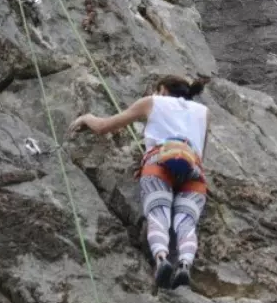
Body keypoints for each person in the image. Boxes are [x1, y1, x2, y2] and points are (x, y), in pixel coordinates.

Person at [69, 75, 211, 289]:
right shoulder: (203, 112)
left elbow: (103, 127)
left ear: (162, 89)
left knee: (158, 214)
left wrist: (86, 118)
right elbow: (202, 152)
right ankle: (184, 264)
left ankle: (162, 259)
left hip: (159, 163)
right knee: (186, 223)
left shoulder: (152, 102)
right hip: (193, 168)